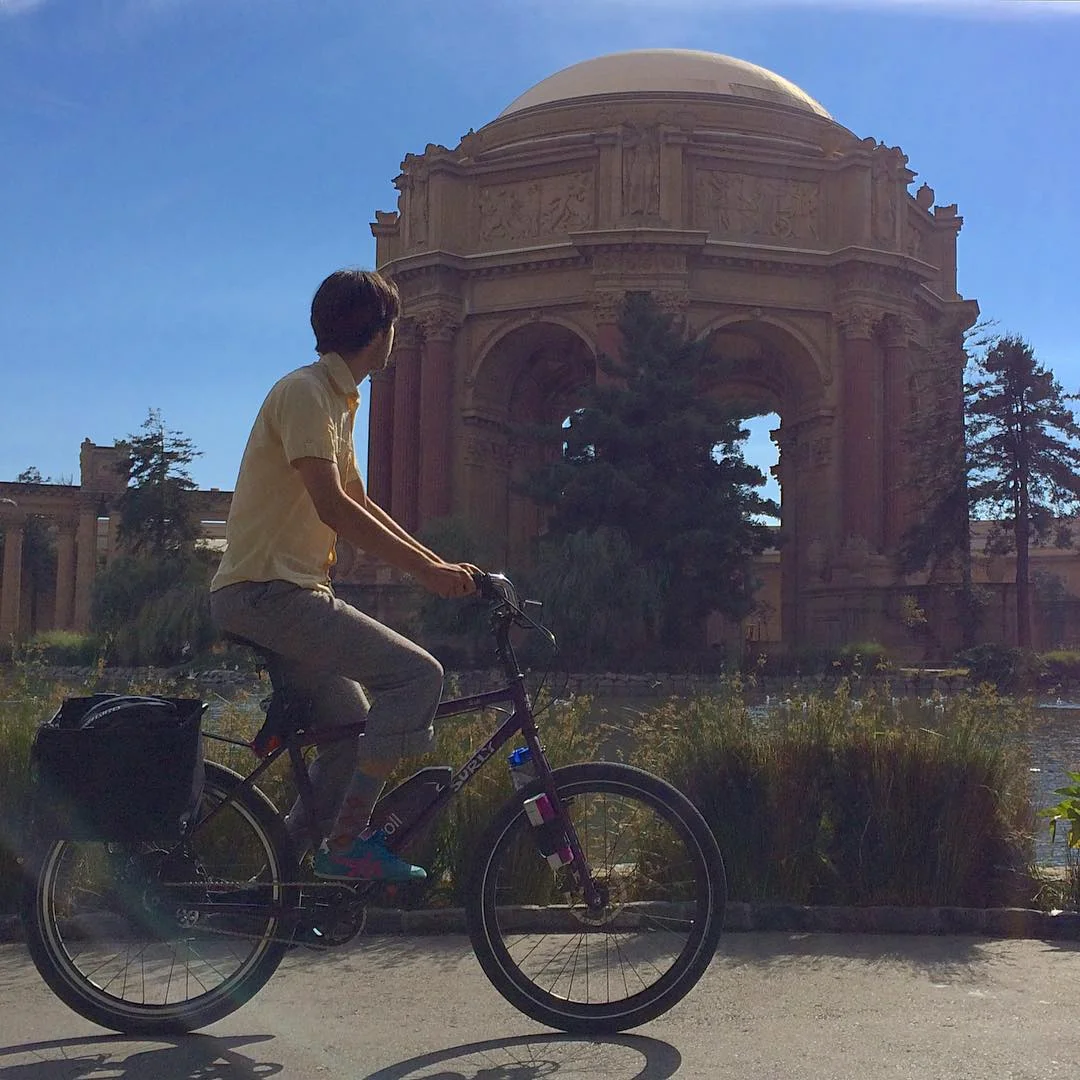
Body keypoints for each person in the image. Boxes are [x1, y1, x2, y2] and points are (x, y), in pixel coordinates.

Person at [210, 268, 478, 882]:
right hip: (268, 593)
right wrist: (430, 575)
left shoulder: (336, 400)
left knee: (350, 733)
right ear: (377, 330)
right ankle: (347, 847)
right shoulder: (305, 393)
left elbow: (359, 500)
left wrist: (436, 565)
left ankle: (279, 882)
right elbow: (332, 506)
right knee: (417, 676)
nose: (396, 336)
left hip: (282, 592)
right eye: (393, 324)